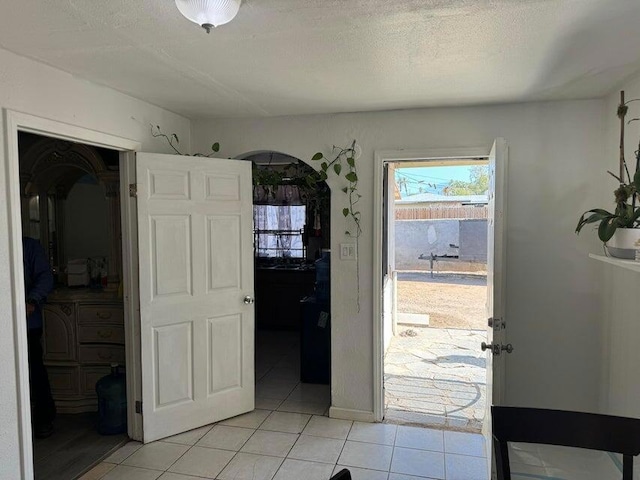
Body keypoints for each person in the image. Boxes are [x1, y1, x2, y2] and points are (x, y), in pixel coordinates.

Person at [23, 236, 56, 439]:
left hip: (28, 324)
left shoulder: (29, 246)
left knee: (35, 372)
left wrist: (32, 300)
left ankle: (44, 419)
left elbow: (45, 277)